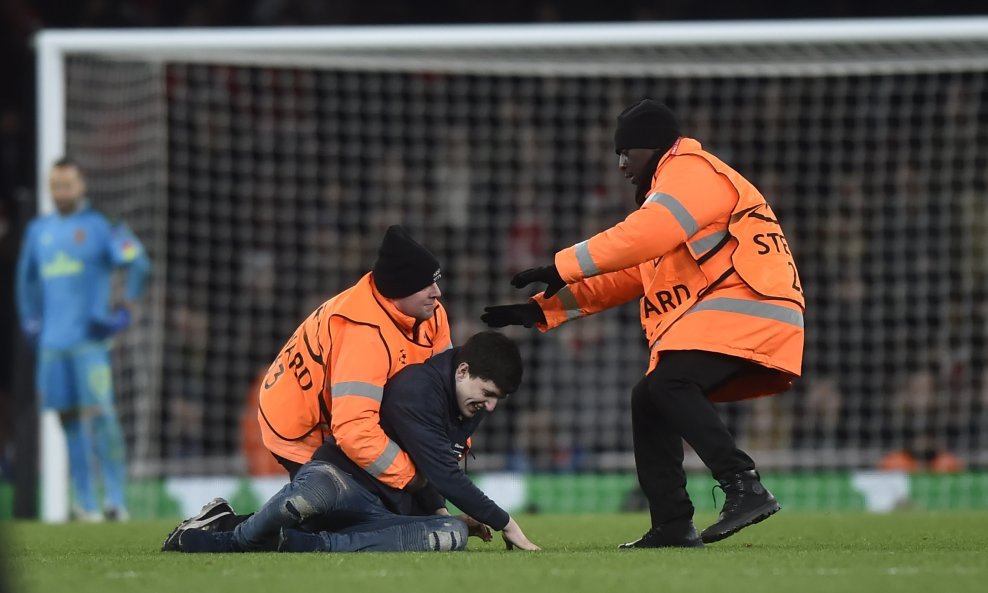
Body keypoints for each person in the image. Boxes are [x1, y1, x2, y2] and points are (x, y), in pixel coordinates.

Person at [482, 99, 805, 548]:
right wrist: (543, 309)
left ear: (652, 149)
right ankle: (672, 524)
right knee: (649, 396)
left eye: (625, 153)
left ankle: (743, 484)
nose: (619, 164)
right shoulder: (677, 198)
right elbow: (630, 274)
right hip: (740, 307)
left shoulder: (691, 172)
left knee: (669, 385)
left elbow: (645, 234)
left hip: (746, 304)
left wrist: (563, 263)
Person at [165, 331, 540, 553]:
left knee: (452, 536)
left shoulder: (467, 403)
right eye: (487, 393)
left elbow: (431, 466)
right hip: (340, 479)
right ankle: (218, 539)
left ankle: (297, 544)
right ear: (462, 371)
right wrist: (505, 523)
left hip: (386, 509)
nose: (490, 406)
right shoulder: (417, 390)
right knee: (306, 500)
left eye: (497, 400)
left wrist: (440, 515)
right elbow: (442, 472)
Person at [258, 224, 450, 484]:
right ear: (398, 290)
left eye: (435, 282)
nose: (437, 293)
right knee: (337, 511)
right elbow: (354, 431)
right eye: (425, 286)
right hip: (300, 428)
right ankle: (223, 523)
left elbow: (448, 392)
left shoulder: (432, 315)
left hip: (340, 420)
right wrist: (412, 479)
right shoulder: (363, 334)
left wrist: (454, 449)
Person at [15, 157, 151, 521]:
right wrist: (30, 320)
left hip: (90, 342)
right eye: (56, 185)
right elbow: (26, 280)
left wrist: (126, 307)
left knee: (103, 416)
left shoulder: (102, 227)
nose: (61, 192)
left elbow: (137, 263)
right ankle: (87, 504)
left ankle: (117, 501)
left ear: (82, 186)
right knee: (69, 421)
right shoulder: (38, 231)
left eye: (68, 185)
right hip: (53, 346)